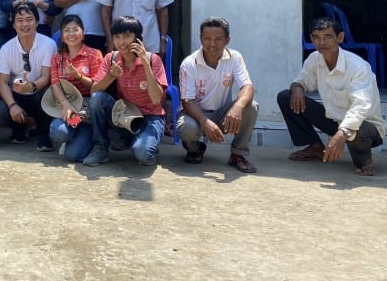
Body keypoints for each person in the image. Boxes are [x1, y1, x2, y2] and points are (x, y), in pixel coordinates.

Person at [277, 17, 385, 176]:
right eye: (316, 37)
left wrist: (341, 134)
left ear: (339, 38)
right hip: (333, 120)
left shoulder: (358, 67)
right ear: (312, 39)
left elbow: (361, 107)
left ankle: (364, 160)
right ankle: (315, 147)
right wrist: (298, 88)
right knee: (286, 96)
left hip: (365, 127)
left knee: (358, 128)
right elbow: (301, 81)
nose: (322, 42)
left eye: (327, 36)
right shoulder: (314, 59)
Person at [177, 17, 259, 173]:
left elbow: (247, 86)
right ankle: (195, 149)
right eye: (207, 39)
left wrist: (238, 107)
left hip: (222, 114)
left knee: (251, 106)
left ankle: (237, 155)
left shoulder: (235, 57)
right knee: (187, 127)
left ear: (227, 40)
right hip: (195, 114)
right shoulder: (189, 63)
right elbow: (187, 101)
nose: (212, 44)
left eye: (218, 39)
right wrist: (204, 121)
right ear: (201, 39)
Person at [83, 16, 167, 166]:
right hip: (124, 114)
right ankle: (101, 148)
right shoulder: (111, 58)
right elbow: (94, 91)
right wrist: (110, 77)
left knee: (142, 154)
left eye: (127, 36)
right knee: (98, 98)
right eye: (117, 37)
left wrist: (146, 65)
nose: (122, 42)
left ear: (137, 38)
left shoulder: (153, 59)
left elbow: (156, 100)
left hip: (150, 117)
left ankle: (144, 143)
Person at [0, 3, 58, 150]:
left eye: (29, 19)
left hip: (38, 91)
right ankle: (19, 127)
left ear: (37, 22)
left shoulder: (48, 44)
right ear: (13, 25)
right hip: (16, 94)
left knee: (47, 94)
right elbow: (2, 83)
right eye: (20, 20)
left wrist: (31, 86)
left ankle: (43, 134)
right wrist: (12, 105)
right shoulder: (6, 48)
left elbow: (46, 77)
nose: (25, 24)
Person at [48, 15, 104, 162]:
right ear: (62, 36)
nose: (71, 34)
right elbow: (55, 85)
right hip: (68, 105)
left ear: (83, 33)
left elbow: (97, 87)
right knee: (58, 132)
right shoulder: (56, 59)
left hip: (88, 110)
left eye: (75, 29)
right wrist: (66, 105)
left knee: (73, 156)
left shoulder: (95, 54)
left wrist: (78, 76)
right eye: (67, 30)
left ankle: (91, 139)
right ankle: (72, 135)